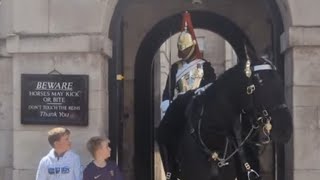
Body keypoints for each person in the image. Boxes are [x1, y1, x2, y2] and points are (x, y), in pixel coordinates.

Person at [160, 11, 216, 119]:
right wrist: (168, 106)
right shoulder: (175, 67)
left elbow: (212, 87)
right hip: (178, 110)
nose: (184, 52)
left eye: (186, 49)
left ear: (193, 46)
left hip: (198, 109)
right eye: (182, 49)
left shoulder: (205, 66)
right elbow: (168, 91)